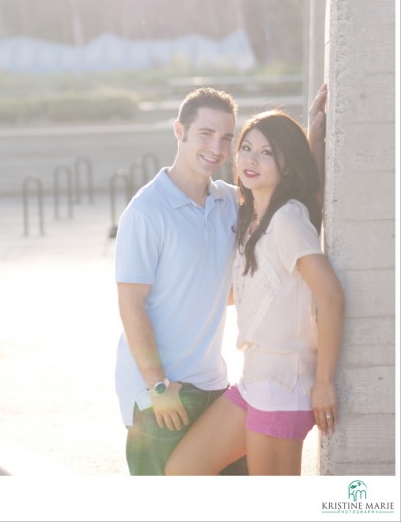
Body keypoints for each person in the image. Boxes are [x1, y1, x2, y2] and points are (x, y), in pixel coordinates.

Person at [114, 84, 328, 476]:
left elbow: (290, 197)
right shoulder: (146, 212)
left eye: (227, 137)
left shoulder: (230, 201)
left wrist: (314, 141)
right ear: (179, 131)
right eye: (205, 134)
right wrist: (158, 386)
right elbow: (131, 304)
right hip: (162, 392)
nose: (217, 147)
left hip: (217, 385)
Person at [165, 108, 345, 476]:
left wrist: (325, 382)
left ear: (287, 164)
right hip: (254, 381)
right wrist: (314, 136)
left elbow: (331, 297)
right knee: (182, 469)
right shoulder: (253, 216)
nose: (251, 159)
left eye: (267, 152)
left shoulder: (288, 219)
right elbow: (309, 188)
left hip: (283, 385)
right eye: (247, 147)